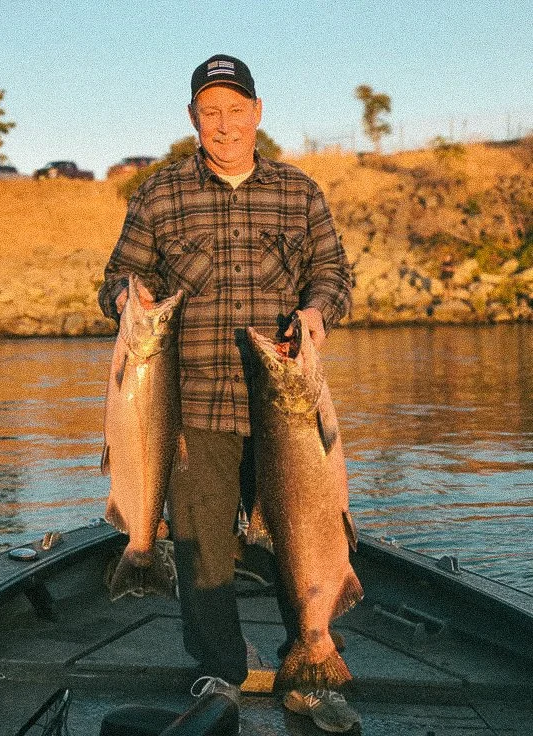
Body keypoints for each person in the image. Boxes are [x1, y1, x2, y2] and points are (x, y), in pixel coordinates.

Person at [98, 54, 357, 732]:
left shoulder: (300, 192)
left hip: (286, 411)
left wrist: (318, 310)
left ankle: (308, 662)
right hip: (191, 409)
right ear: (192, 118)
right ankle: (219, 671)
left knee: (301, 538)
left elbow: (333, 273)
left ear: (258, 113)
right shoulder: (158, 194)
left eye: (235, 109)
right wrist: (127, 295)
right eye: (209, 111)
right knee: (202, 547)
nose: (223, 123)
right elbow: (115, 280)